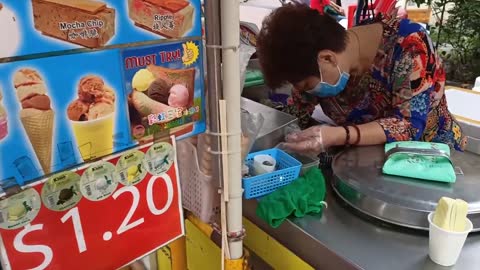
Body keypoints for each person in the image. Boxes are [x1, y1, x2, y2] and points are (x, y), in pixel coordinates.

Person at [256, 3, 466, 156]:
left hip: (429, 158)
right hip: (365, 164)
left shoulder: (409, 46)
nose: (307, 91)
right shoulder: (315, 63)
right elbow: (295, 114)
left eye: (308, 86)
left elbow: (408, 126)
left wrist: (337, 135)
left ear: (327, 58)